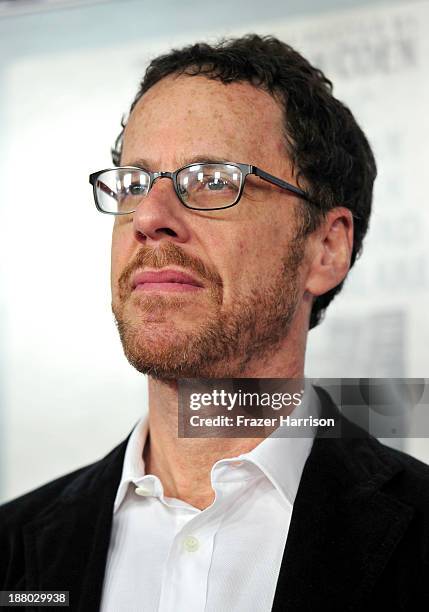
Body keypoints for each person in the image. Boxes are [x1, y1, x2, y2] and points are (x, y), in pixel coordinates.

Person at [1, 34, 428, 612]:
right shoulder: (13, 552)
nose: (150, 218)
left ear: (326, 248)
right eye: (133, 183)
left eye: (213, 181)